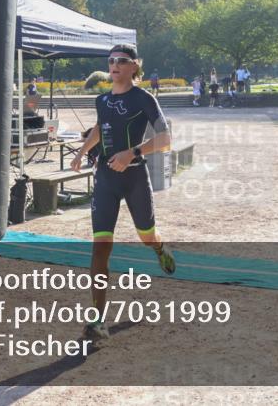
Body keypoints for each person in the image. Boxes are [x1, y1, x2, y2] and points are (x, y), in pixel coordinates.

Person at [70, 44, 175, 342]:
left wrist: (133, 152)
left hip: (134, 177)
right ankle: (97, 319)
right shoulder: (101, 100)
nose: (114, 65)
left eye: (121, 61)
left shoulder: (144, 98)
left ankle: (159, 248)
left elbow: (166, 138)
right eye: (111, 61)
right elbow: (100, 129)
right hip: (105, 178)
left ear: (134, 67)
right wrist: (81, 152)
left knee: (146, 235)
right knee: (101, 246)